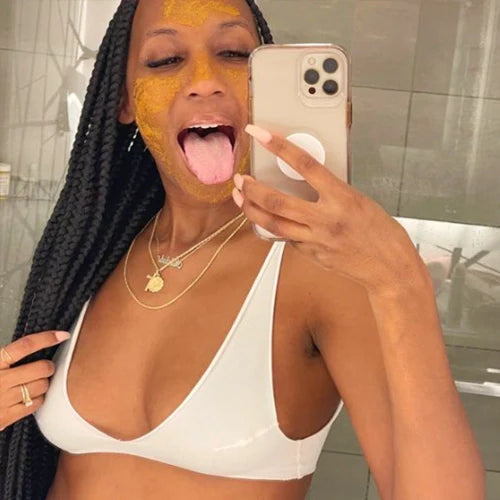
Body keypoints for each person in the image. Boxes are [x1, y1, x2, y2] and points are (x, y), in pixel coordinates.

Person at [0, 0, 485, 499]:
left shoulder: (318, 268)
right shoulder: (91, 255)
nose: (204, 80)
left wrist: (401, 280)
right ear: (124, 100)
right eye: (166, 60)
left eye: (233, 53)